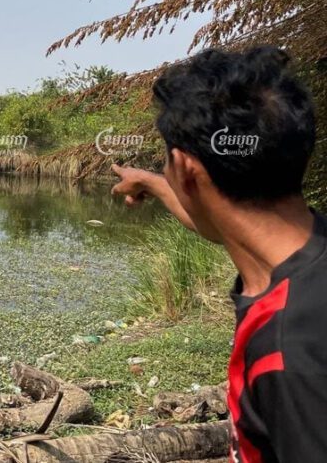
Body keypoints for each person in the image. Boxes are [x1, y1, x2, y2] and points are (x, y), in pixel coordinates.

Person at [111, 46, 327, 463]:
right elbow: (220, 222)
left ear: (187, 169)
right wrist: (156, 183)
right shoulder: (302, 246)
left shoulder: (291, 356)